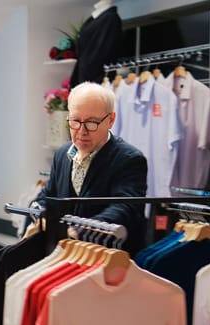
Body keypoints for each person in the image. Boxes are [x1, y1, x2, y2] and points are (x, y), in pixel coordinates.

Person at [32, 81, 148, 255]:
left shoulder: (130, 160)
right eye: (75, 121)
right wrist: (40, 216)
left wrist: (78, 232)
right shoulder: (62, 154)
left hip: (106, 261)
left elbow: (124, 209)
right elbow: (47, 196)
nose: (82, 131)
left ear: (111, 120)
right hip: (62, 256)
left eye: (92, 122)